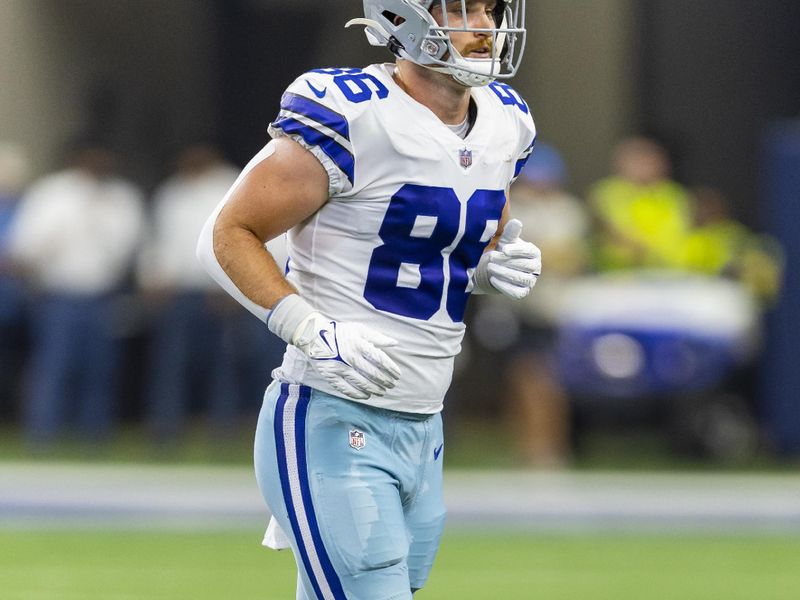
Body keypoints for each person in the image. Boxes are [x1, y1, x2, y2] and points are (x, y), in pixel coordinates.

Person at [197, 1, 539, 598]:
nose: (484, 26)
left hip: (424, 422)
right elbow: (228, 234)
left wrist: (488, 270)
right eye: (462, 9)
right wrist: (310, 329)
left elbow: (445, 250)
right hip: (331, 413)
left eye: (491, 9)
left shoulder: (507, 121)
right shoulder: (353, 113)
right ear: (403, 17)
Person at [9, 141, 144, 445]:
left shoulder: (120, 196)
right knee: (54, 366)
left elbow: (127, 248)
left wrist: (100, 219)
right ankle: (43, 435)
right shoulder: (51, 193)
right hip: (59, 295)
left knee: (100, 368)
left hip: (102, 295)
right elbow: (24, 246)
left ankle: (94, 436)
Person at [589, 136, 692, 272]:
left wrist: (646, 249)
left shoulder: (673, 195)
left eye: (648, 160)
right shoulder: (606, 192)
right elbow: (613, 229)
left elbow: (675, 235)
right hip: (615, 274)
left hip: (666, 273)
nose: (643, 166)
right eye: (636, 160)